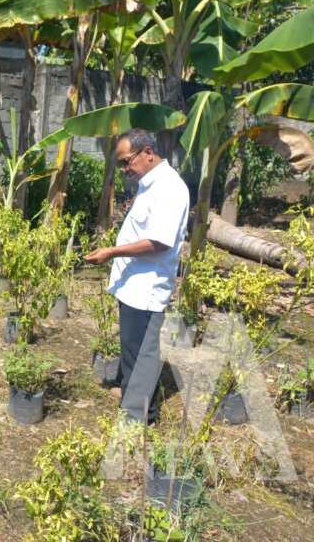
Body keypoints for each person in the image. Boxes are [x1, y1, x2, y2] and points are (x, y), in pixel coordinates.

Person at [84, 129, 189, 424]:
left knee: (142, 354)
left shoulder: (170, 187)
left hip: (147, 288)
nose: (125, 170)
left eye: (126, 162)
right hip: (134, 285)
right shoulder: (149, 183)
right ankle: (131, 396)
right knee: (132, 349)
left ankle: (141, 418)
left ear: (148, 153)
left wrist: (111, 252)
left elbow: (160, 241)